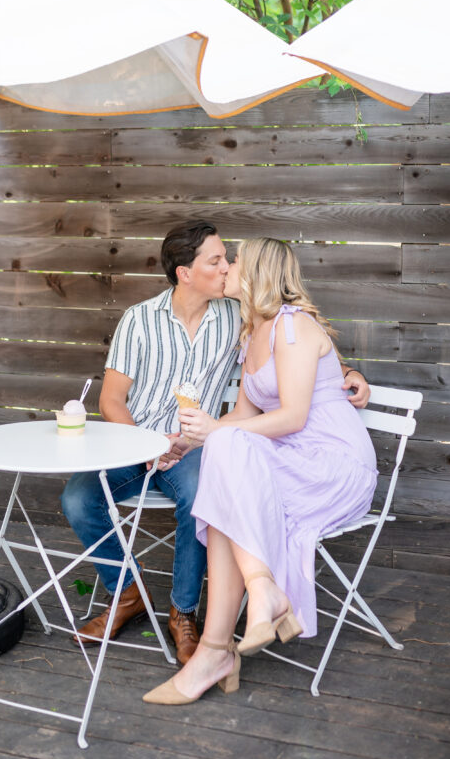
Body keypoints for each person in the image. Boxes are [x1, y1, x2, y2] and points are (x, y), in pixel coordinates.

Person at [62, 222, 370, 664]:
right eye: (216, 261)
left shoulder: (237, 316)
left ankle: (183, 613)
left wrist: (349, 375)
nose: (226, 268)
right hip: (138, 442)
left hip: (199, 445)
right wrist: (146, 446)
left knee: (200, 499)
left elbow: (302, 344)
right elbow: (111, 400)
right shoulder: (139, 319)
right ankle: (126, 592)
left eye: (230, 259)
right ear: (185, 273)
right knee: (77, 499)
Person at [142, 237, 378, 704]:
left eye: (235, 261)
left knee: (227, 467)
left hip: (332, 465)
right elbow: (242, 418)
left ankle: (219, 647)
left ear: (257, 273)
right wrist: (186, 442)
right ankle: (244, 612)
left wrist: (216, 434)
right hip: (287, 460)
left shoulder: (293, 327)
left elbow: (292, 417)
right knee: (226, 480)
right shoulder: (253, 334)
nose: (225, 267)